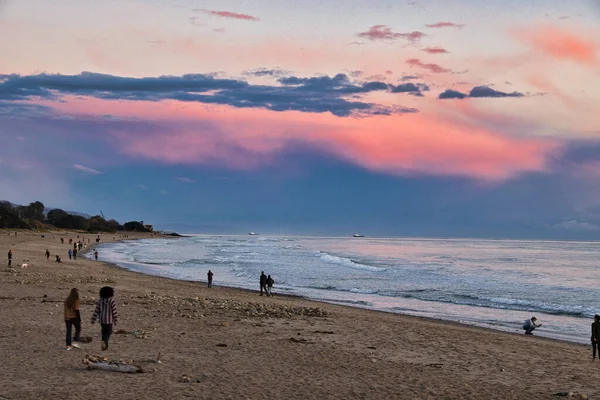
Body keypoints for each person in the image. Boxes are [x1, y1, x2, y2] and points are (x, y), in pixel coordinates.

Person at [91, 286, 118, 351]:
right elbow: (114, 311)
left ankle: (104, 347)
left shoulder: (100, 301)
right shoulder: (112, 301)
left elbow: (96, 311)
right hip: (109, 320)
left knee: (103, 332)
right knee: (109, 332)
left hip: (102, 320)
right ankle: (104, 342)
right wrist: (115, 320)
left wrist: (93, 319)